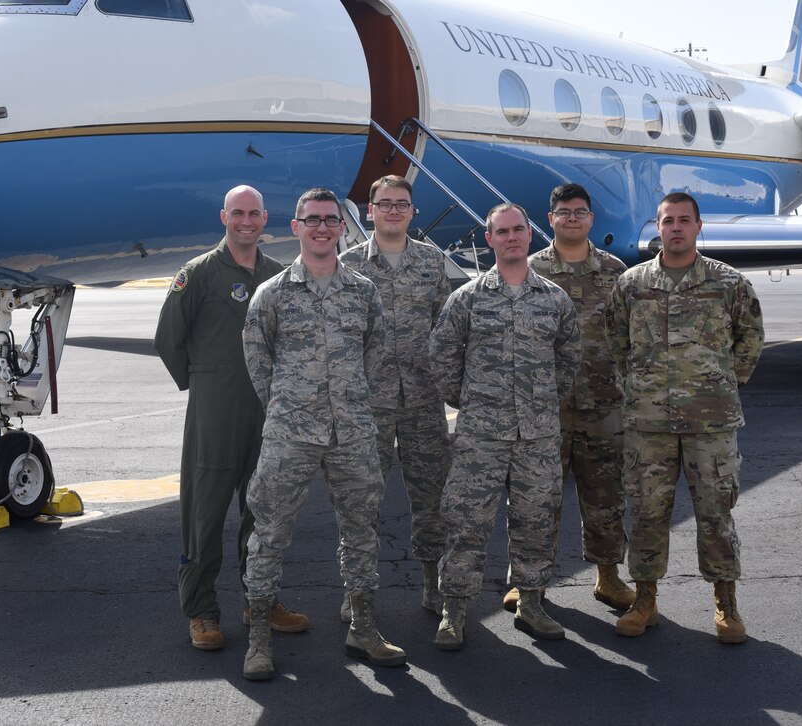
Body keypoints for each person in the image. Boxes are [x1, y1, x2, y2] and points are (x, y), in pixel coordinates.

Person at [240, 187, 406, 681]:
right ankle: (259, 640)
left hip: (352, 431)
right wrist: (287, 407)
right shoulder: (272, 294)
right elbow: (257, 359)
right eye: (311, 219)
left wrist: (352, 404)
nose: (321, 228)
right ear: (296, 227)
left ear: (340, 227)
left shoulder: (363, 292)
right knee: (270, 533)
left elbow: (375, 355)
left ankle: (363, 627)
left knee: (362, 531)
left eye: (330, 220)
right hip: (290, 433)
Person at [154, 185, 309, 652]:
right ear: (224, 217)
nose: (246, 221)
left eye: (253, 214)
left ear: (264, 219)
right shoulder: (199, 273)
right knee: (204, 513)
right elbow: (168, 338)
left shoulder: (278, 276)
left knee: (263, 513)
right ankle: (201, 611)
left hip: (267, 410)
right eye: (237, 213)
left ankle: (259, 602)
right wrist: (206, 383)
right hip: (215, 410)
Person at [606, 191, 764, 644]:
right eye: (668, 220)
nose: (675, 227)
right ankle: (645, 600)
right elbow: (617, 341)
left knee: (716, 514)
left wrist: (721, 384)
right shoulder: (632, 284)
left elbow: (751, 337)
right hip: (648, 423)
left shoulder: (728, 283)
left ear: (698, 226)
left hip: (710, 423)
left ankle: (726, 602)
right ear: (657, 227)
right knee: (647, 513)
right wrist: (641, 386)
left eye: (683, 220)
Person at [430, 203, 581, 650]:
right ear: (489, 238)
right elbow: (442, 355)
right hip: (481, 435)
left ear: (530, 235)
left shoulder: (554, 298)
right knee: (466, 522)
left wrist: (542, 403)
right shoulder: (468, 297)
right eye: (502, 231)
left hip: (537, 435)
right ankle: (454, 609)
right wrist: (471, 402)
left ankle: (531, 603)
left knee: (535, 519)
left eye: (518, 229)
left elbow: (568, 358)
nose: (511, 237)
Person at [338, 175, 452, 620]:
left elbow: (445, 328)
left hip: (424, 401)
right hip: (368, 405)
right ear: (370, 211)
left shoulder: (432, 261)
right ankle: (357, 591)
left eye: (401, 204)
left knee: (432, 498)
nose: (393, 211)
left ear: (412, 211)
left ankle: (433, 584)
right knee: (361, 502)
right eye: (384, 204)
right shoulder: (348, 265)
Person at [519, 183, 634, 613]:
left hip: (603, 405)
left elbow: (631, 333)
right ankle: (529, 583)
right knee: (537, 499)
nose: (572, 218)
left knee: (605, 497)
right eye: (564, 212)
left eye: (580, 212)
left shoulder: (615, 271)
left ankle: (608, 577)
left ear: (590, 219)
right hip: (545, 408)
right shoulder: (530, 271)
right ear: (550, 219)